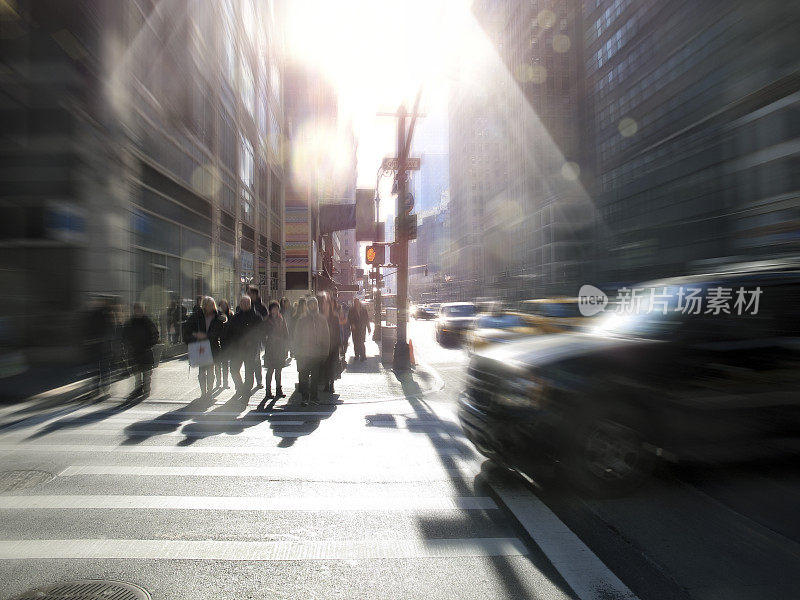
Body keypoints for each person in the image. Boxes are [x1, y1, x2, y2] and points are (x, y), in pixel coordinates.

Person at [183, 296, 225, 399]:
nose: (211, 307)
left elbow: (219, 332)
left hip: (212, 346)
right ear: (204, 306)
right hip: (200, 347)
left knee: (210, 370)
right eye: (209, 305)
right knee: (202, 370)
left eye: (212, 305)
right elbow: (187, 330)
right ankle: (203, 392)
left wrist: (207, 336)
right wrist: (195, 335)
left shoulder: (217, 317)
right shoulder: (197, 316)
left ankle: (209, 391)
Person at [294, 296, 329, 405]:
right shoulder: (302, 319)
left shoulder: (321, 319)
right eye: (310, 304)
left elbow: (326, 336)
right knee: (304, 376)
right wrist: (297, 351)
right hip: (304, 353)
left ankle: (314, 397)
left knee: (315, 377)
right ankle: (305, 397)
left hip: (316, 353)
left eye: (314, 304)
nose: (312, 306)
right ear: (308, 306)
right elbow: (297, 336)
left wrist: (325, 352)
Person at [122, 303, 160, 400]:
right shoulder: (131, 322)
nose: (137, 312)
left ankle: (146, 389)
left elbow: (155, 335)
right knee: (137, 374)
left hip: (146, 352)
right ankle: (138, 389)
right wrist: (129, 346)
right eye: (136, 310)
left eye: (139, 310)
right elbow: (125, 335)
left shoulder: (147, 322)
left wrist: (149, 345)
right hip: (136, 352)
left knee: (146, 374)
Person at [227, 295, 263, 395]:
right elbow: (229, 332)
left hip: (250, 349)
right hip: (237, 349)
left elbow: (261, 332)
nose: (245, 305)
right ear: (240, 304)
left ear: (250, 304)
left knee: (249, 371)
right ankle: (240, 387)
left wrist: (253, 341)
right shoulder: (236, 317)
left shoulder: (256, 316)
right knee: (234, 369)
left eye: (247, 303)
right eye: (243, 303)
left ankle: (246, 390)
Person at [263, 300, 289, 400]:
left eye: (277, 308)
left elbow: (286, 334)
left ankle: (279, 390)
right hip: (270, 348)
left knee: (278, 370)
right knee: (270, 370)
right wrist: (266, 341)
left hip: (280, 348)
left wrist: (286, 346)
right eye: (273, 308)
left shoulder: (282, 319)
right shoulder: (266, 320)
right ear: (270, 310)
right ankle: (268, 391)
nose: (275, 310)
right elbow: (262, 333)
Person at [247, 286, 268, 389]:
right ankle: (248, 382)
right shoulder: (246, 305)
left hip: (257, 337)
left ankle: (259, 380)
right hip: (246, 338)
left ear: (255, 294)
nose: (248, 295)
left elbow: (265, 321)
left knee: (256, 359)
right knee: (248, 359)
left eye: (249, 293)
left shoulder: (262, 307)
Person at [321, 295, 342, 393]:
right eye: (324, 304)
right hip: (323, 345)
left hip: (333, 345)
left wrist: (339, 345)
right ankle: (326, 384)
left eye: (327, 304)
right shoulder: (320, 316)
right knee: (325, 365)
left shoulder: (334, 316)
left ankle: (331, 384)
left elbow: (338, 332)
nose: (325, 306)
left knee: (332, 365)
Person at [215, 299, 233, 389]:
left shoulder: (231, 314)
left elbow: (233, 327)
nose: (223, 307)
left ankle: (225, 382)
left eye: (224, 305)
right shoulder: (217, 315)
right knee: (217, 363)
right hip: (218, 341)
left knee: (225, 363)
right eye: (221, 305)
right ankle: (218, 381)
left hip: (227, 342)